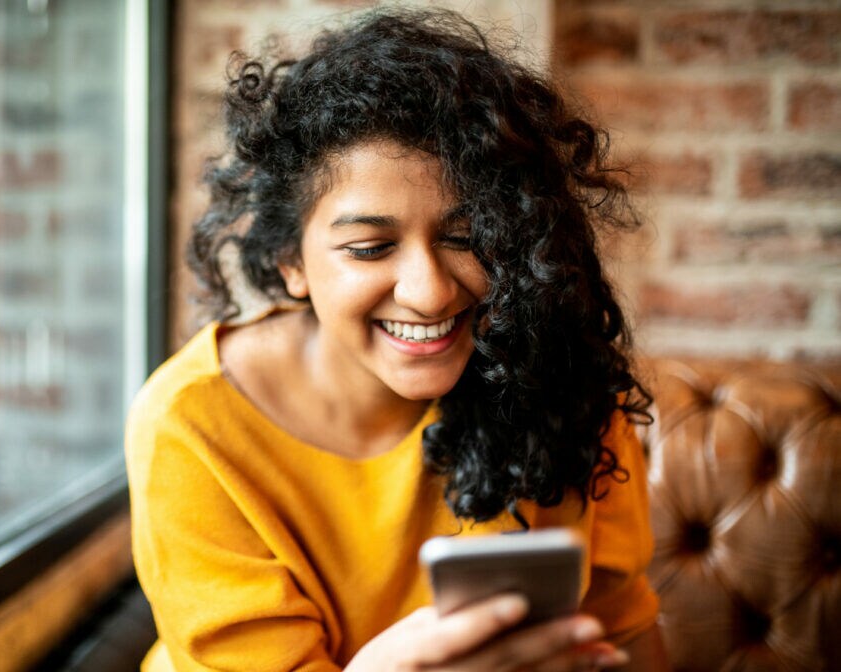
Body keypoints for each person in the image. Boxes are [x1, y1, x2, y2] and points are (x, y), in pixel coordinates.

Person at [126, 8, 669, 671]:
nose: (430, 291)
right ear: (292, 261)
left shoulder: (563, 378)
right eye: (370, 247)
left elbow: (624, 627)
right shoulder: (192, 425)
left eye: (467, 237)